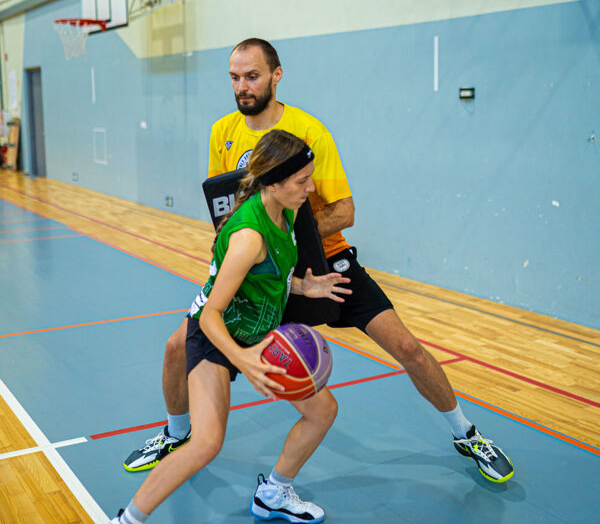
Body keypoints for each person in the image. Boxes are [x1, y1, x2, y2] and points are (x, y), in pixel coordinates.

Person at [124, 38, 514, 485]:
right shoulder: (222, 132)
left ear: (276, 75)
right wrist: (256, 248)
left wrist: (288, 238)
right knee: (178, 346)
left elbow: (344, 211)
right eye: (234, 77)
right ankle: (177, 433)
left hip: (326, 262)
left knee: (407, 347)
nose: (242, 86)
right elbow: (226, 215)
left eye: (252, 76)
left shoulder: (310, 131)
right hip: (267, 272)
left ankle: (466, 433)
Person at [111, 130, 351, 524]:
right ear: (273, 182)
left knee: (323, 411)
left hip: (257, 335)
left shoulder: (285, 209)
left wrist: (303, 286)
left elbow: (268, 275)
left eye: (311, 176)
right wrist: (244, 359)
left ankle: (273, 493)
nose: (311, 188)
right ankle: (127, 520)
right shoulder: (247, 236)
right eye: (302, 180)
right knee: (206, 443)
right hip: (215, 336)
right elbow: (209, 315)